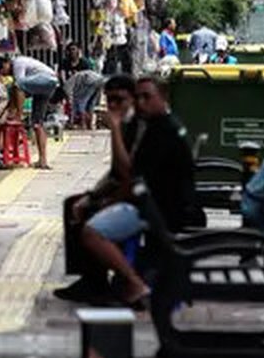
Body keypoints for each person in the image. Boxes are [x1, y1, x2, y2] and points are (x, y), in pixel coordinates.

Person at [78, 76, 202, 309]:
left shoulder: (162, 131)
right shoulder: (150, 125)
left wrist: (114, 128)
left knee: (91, 231)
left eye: (147, 97)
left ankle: (134, 283)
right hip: (149, 201)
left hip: (159, 210)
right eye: (139, 97)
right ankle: (94, 282)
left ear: (163, 98)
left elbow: (130, 175)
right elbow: (122, 173)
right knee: (80, 206)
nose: (141, 102)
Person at [55, 75, 138, 303]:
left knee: (91, 213)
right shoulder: (126, 123)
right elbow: (113, 173)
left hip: (140, 197)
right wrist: (92, 195)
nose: (113, 106)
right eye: (109, 100)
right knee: (74, 203)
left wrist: (116, 129)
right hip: (126, 189)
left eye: (119, 100)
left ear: (133, 99)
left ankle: (101, 281)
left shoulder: (135, 125)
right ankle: (91, 279)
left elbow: (125, 171)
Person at [0, 54, 59, 169]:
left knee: (16, 86)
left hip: (46, 79)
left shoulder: (17, 63)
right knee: (37, 123)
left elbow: (19, 87)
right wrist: (5, 112)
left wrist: (16, 113)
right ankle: (43, 161)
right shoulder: (20, 68)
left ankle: (19, 116)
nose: (6, 74)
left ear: (6, 64)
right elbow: (14, 97)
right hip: (48, 85)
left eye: (3, 71)